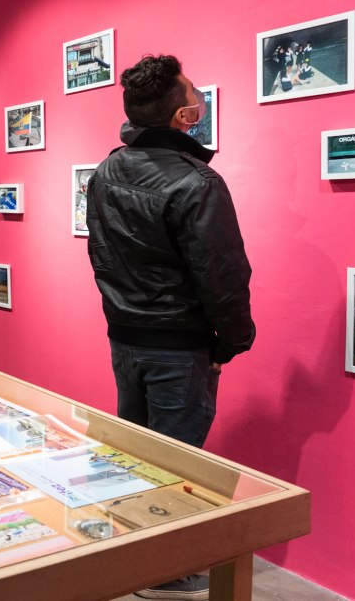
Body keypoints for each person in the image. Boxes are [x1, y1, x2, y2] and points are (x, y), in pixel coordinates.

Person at [87, 55, 254, 600]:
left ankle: (133, 553)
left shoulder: (107, 170)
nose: (200, 98)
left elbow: (101, 256)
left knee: (136, 453)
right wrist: (232, 342)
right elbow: (222, 274)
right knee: (177, 460)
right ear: (184, 116)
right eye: (194, 93)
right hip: (178, 346)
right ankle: (159, 572)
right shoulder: (197, 182)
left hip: (125, 338)